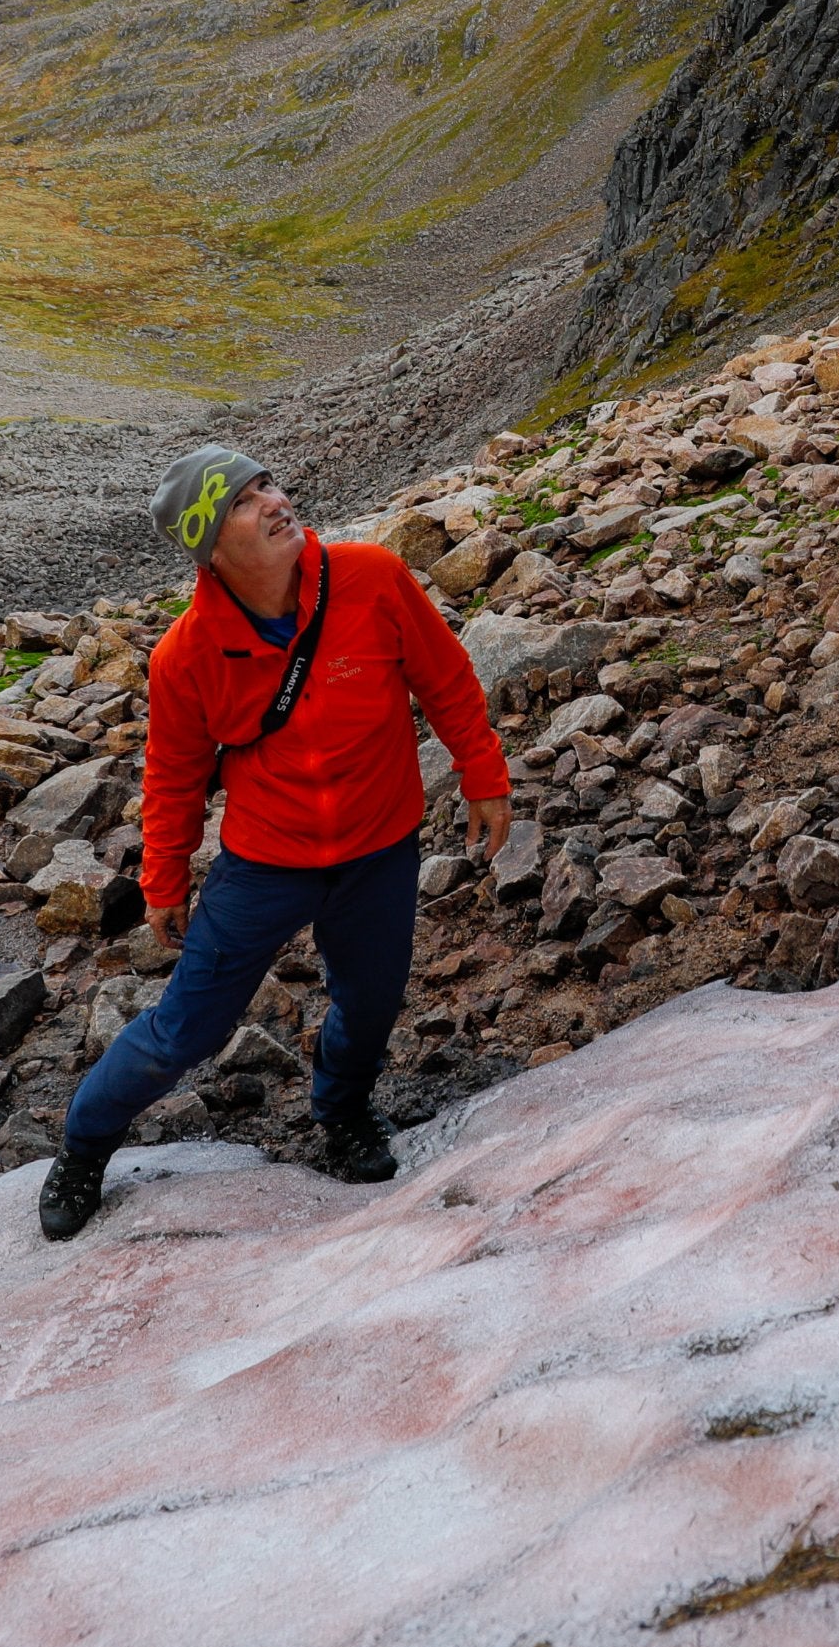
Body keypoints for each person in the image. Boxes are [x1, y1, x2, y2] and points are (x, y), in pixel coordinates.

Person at [37, 443, 514, 1242]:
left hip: (379, 849)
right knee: (182, 1031)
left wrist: (483, 770)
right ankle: (83, 1145)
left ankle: (344, 1107)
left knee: (369, 1004)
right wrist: (163, 880)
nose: (275, 500)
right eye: (246, 499)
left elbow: (446, 677)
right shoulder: (185, 656)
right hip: (265, 867)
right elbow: (174, 777)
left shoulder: (373, 578)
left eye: (270, 483)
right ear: (210, 543)